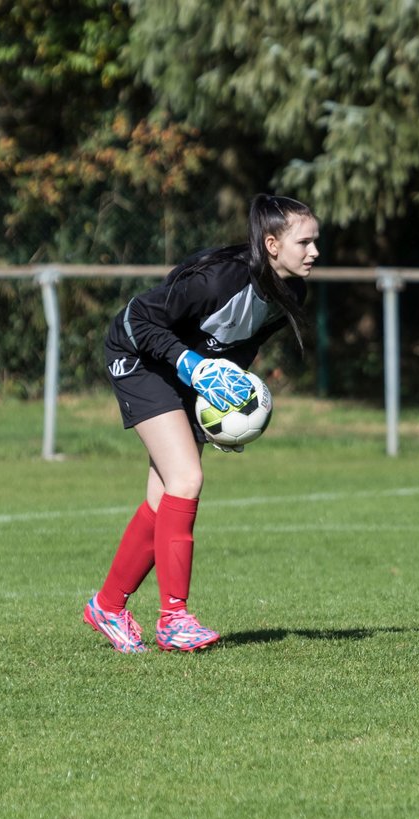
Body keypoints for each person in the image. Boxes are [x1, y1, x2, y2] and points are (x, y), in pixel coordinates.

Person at [84, 194, 321, 652]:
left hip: (181, 368)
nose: (314, 252)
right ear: (272, 244)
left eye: (316, 242)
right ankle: (174, 618)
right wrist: (192, 367)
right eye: (305, 242)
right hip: (139, 355)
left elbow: (237, 349)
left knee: (164, 498)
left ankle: (108, 606)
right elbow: (140, 321)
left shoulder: (290, 290)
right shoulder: (220, 278)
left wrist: (222, 411)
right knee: (187, 478)